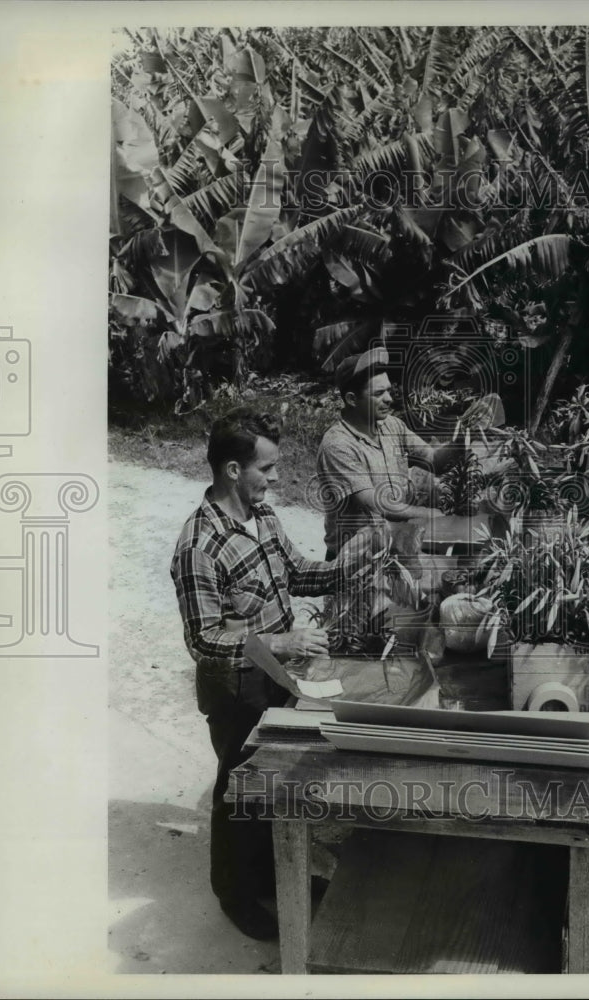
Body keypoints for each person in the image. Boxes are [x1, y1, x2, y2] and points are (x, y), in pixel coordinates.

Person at [171, 405, 377, 940]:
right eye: (268, 467)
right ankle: (235, 894)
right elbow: (204, 641)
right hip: (236, 689)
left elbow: (302, 574)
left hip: (279, 682)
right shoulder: (199, 546)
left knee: (276, 782)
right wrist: (283, 641)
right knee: (238, 789)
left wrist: (352, 558)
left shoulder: (263, 518)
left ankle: (272, 874)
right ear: (233, 470)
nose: (278, 477)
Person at [315, 346, 507, 557]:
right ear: (352, 399)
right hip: (355, 553)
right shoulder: (338, 445)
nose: (389, 398)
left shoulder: (392, 425)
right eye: (379, 393)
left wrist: (463, 438)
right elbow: (378, 504)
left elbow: (434, 460)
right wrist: (430, 513)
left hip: (395, 541)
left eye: (388, 390)